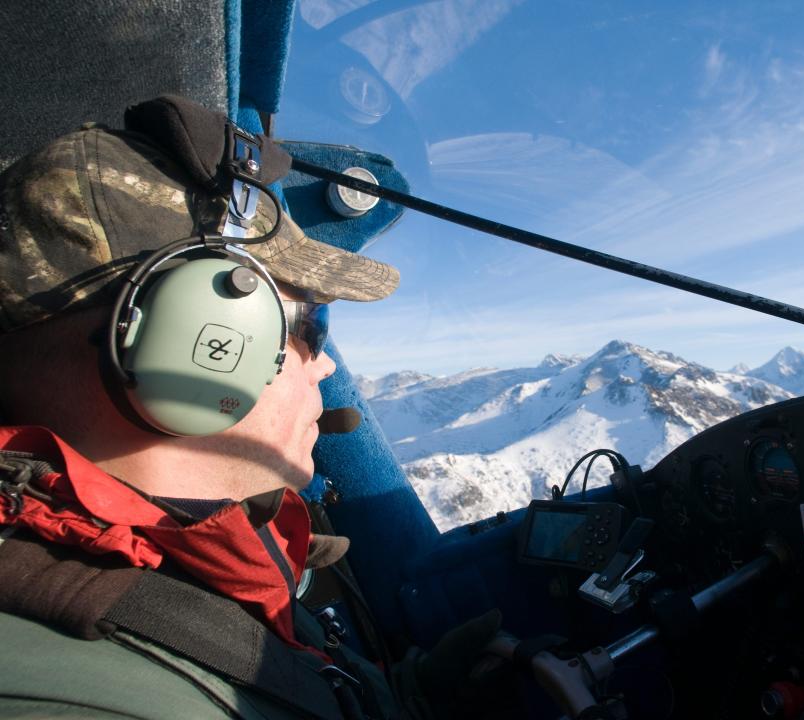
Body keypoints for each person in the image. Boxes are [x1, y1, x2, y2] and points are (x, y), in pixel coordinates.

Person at [0, 97, 501, 719]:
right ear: (200, 338)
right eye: (310, 327)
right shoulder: (80, 694)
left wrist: (419, 696)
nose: (325, 365)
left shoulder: (188, 552)